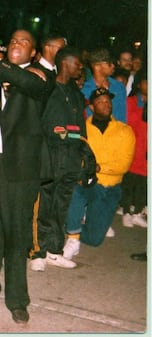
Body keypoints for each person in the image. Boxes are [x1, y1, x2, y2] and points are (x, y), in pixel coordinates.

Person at [0, 29, 55, 325]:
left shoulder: (40, 77)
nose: (16, 44)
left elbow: (29, 83)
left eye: (24, 42)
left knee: (17, 237)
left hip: (21, 169)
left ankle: (17, 300)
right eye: (13, 40)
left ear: (34, 53)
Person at [30, 47, 89, 272]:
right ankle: (38, 251)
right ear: (65, 63)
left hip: (71, 157)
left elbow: (80, 127)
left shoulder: (75, 92)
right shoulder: (48, 87)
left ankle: (54, 250)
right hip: (49, 155)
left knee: (61, 205)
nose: (81, 68)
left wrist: (83, 154)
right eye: (78, 64)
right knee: (43, 203)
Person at [63, 88, 135, 258]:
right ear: (92, 107)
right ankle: (73, 237)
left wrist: (97, 167)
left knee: (95, 240)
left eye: (108, 102)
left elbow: (123, 165)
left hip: (110, 189)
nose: (106, 105)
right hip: (88, 184)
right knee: (74, 189)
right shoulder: (82, 129)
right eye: (100, 102)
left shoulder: (124, 131)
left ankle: (74, 221)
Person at [120, 71, 147, 228]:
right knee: (129, 183)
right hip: (133, 150)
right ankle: (126, 212)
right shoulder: (130, 102)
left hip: (146, 152)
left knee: (143, 184)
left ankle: (137, 212)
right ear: (139, 84)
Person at [82, 48, 127, 122]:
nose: (113, 66)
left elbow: (123, 117)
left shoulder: (119, 87)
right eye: (109, 63)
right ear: (97, 66)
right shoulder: (84, 90)